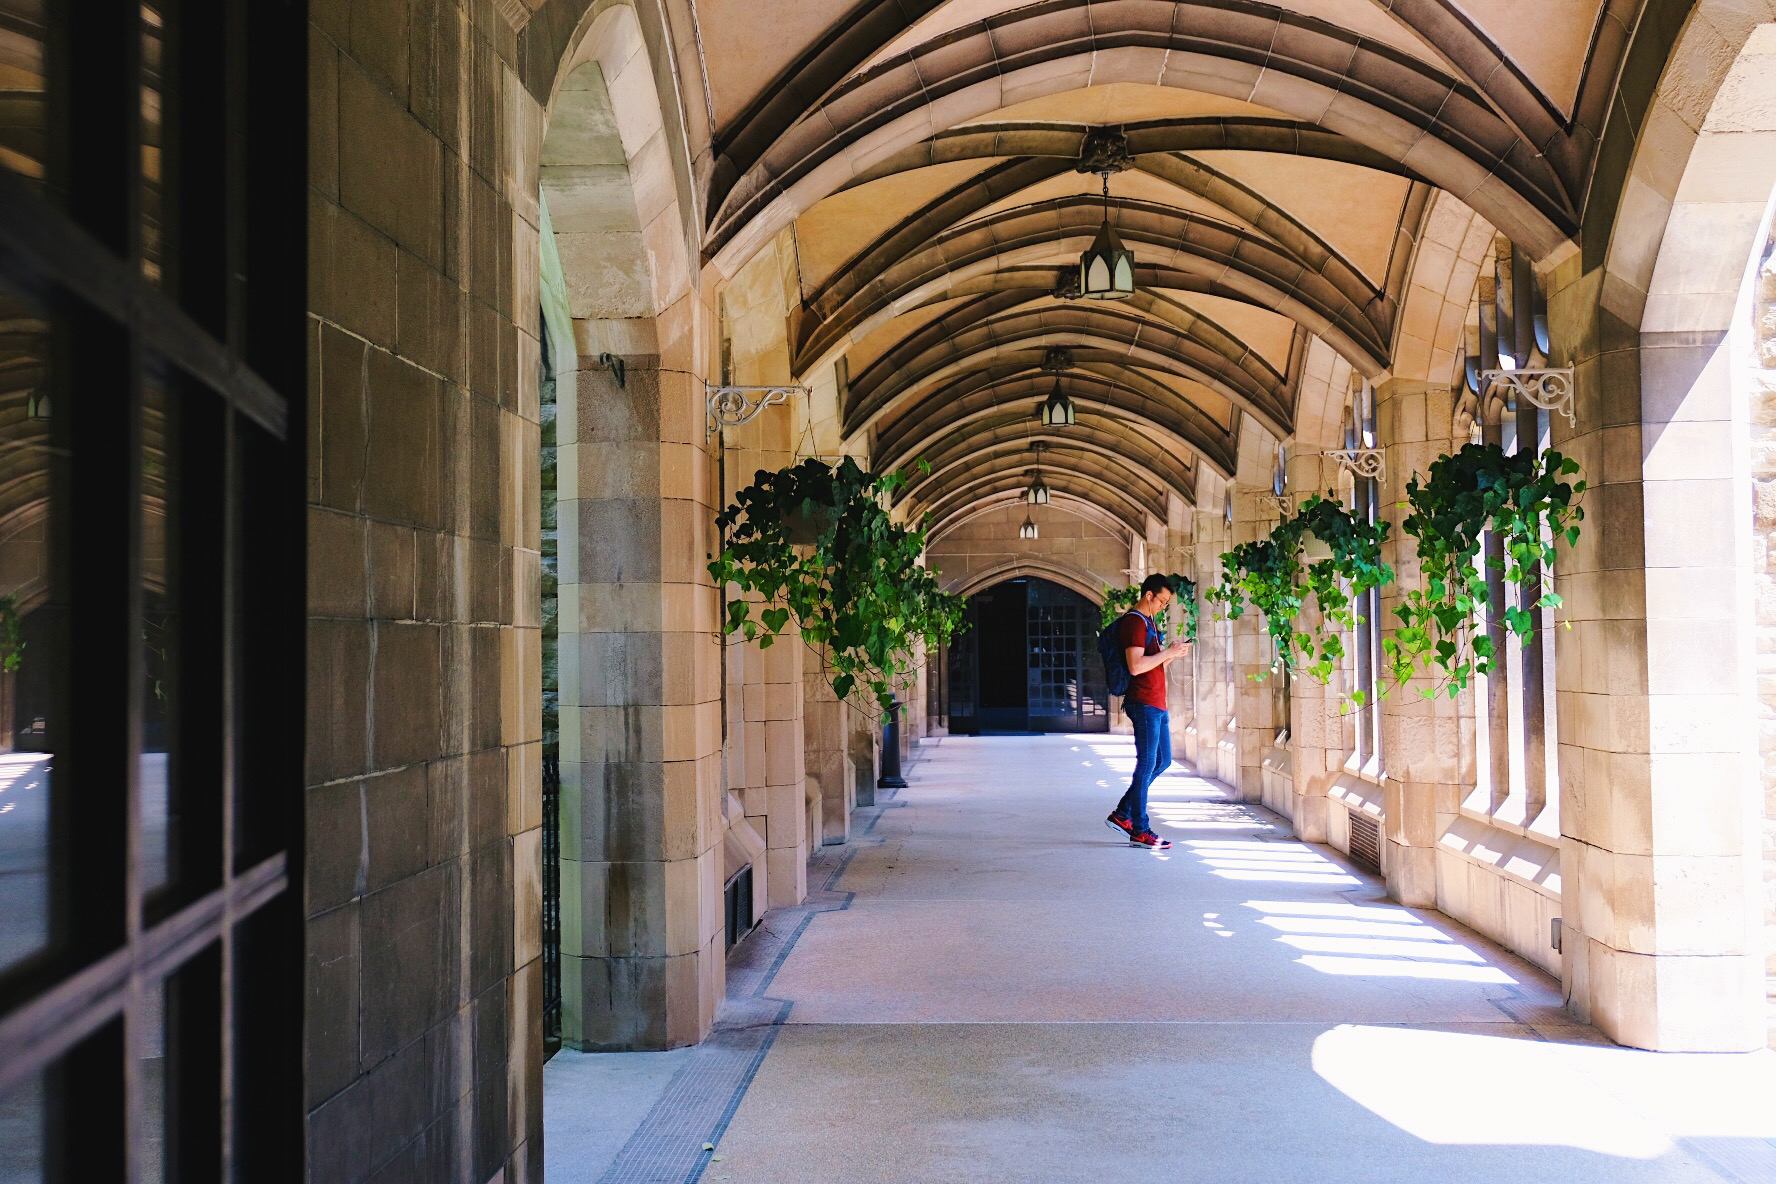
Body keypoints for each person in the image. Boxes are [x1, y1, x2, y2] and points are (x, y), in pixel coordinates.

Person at [1106, 573, 1192, 850]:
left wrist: (1173, 654)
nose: (1163, 607)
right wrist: (1167, 652)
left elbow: (1153, 665)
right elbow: (1135, 666)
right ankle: (1139, 829)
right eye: (1162, 601)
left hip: (1157, 702)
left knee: (1163, 760)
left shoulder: (1150, 623)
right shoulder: (1134, 622)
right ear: (1149, 595)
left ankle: (1122, 813)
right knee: (1146, 764)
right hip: (1143, 703)